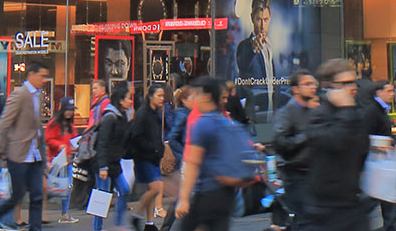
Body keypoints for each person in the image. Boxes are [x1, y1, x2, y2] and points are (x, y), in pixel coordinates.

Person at [288, 59, 370, 231]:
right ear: (329, 87)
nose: (353, 87)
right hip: (324, 209)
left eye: (354, 81)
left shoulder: (356, 111)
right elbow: (336, 142)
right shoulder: (318, 114)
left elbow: (360, 149)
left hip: (352, 203)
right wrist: (346, 109)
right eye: (346, 83)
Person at [0, 61, 53, 231]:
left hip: (34, 156)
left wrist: (43, 159)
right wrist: (2, 153)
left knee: (37, 195)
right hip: (18, 155)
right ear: (31, 75)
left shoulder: (38, 96)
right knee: (17, 196)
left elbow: (38, 129)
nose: (44, 80)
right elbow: (3, 124)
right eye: (42, 76)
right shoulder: (20, 95)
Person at [174, 77, 252, 231]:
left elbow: (193, 163)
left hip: (206, 192)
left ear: (207, 97)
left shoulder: (202, 124)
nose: (194, 99)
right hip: (227, 193)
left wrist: (183, 199)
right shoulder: (227, 122)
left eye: (197, 94)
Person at [270, 70, 318, 230]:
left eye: (314, 83)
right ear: (295, 89)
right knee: (304, 219)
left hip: (316, 173)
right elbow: (281, 143)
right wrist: (307, 135)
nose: (313, 87)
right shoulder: (286, 113)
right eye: (307, 84)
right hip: (296, 175)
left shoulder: (315, 111)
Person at [88, 82, 135, 231]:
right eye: (128, 98)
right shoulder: (110, 117)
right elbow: (102, 143)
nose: (130, 101)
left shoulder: (122, 116)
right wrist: (102, 166)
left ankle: (119, 224)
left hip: (114, 162)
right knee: (102, 197)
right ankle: (98, 228)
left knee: (124, 190)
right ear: (120, 100)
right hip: (103, 162)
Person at [128, 84, 170, 229]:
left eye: (163, 95)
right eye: (159, 95)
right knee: (155, 188)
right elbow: (136, 135)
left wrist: (159, 149)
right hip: (143, 157)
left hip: (153, 157)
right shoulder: (143, 114)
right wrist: (152, 147)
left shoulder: (155, 113)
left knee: (152, 190)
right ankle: (136, 215)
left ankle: (149, 223)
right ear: (150, 96)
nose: (162, 98)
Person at [360, 79, 396, 231]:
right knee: (376, 199)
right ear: (379, 92)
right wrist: (378, 146)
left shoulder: (381, 110)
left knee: (387, 199)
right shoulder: (372, 111)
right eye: (389, 91)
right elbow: (363, 135)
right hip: (376, 162)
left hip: (384, 161)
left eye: (393, 91)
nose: (392, 94)